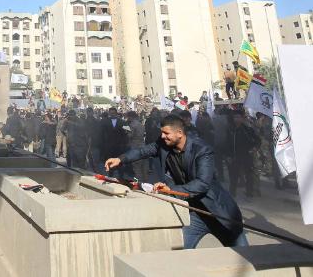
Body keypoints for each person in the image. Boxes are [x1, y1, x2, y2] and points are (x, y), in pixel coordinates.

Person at [104, 115, 248, 249]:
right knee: (177, 252)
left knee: (248, 258)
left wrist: (171, 191)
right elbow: (142, 151)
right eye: (162, 133)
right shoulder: (163, 144)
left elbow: (202, 184)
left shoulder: (202, 150)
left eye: (166, 133)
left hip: (217, 212)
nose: (162, 136)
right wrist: (121, 159)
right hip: (194, 215)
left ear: (179, 133)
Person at [228, 111, 261, 198]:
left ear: (242, 118)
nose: (237, 119)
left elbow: (257, 140)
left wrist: (254, 148)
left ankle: (249, 192)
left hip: (247, 156)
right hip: (235, 156)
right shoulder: (231, 129)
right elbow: (227, 143)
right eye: (235, 117)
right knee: (233, 176)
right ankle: (232, 193)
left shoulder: (247, 130)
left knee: (249, 175)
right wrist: (228, 155)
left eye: (238, 117)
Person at [101, 107, 132, 178]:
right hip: (109, 146)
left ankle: (120, 176)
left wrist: (125, 142)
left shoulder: (122, 121)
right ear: (109, 113)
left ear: (116, 113)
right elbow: (101, 134)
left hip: (120, 146)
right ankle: (110, 176)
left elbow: (129, 132)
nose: (112, 114)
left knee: (119, 162)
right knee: (110, 161)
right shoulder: (104, 122)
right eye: (111, 113)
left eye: (113, 113)